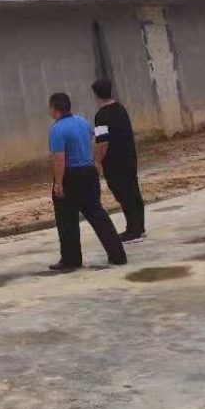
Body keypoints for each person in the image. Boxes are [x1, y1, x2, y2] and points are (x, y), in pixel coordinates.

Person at [47, 92, 127, 271]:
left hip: (70, 174)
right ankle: (117, 254)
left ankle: (71, 259)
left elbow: (59, 158)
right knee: (98, 214)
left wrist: (58, 183)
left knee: (67, 219)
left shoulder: (56, 129)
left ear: (53, 108)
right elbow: (96, 138)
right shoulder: (82, 122)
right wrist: (94, 160)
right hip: (88, 172)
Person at [92, 79, 145, 243]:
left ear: (96, 95)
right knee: (133, 191)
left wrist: (97, 161)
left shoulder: (101, 116)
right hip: (129, 156)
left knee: (123, 194)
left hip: (114, 162)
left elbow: (102, 142)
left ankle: (133, 230)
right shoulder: (121, 109)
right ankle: (139, 226)